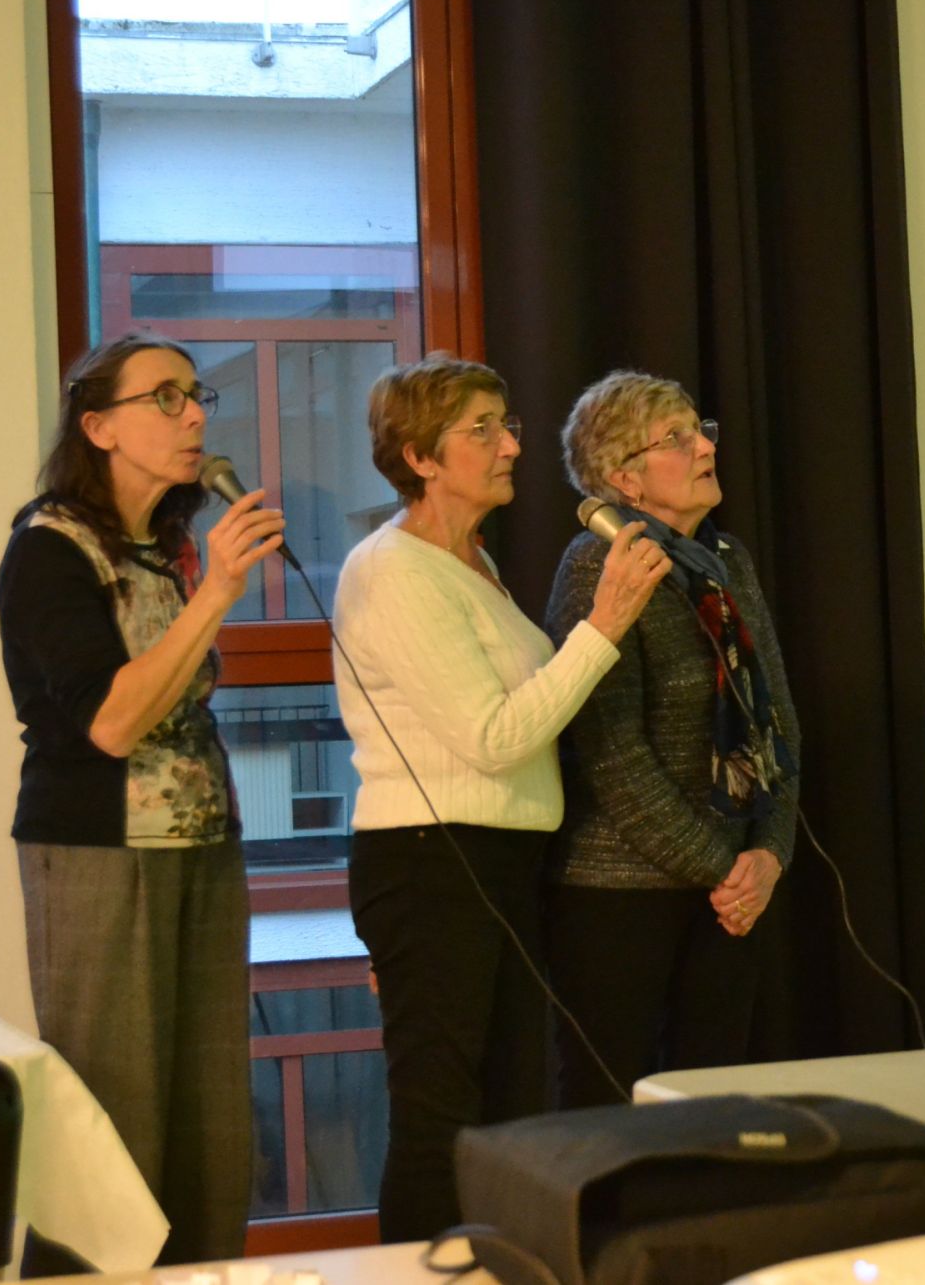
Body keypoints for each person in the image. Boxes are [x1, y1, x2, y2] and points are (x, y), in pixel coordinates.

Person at [332, 354, 668, 1242]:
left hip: (499, 858)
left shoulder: (473, 562)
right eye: (480, 429)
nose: (511, 444)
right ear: (419, 457)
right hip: (431, 860)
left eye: (506, 424)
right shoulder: (392, 570)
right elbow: (493, 737)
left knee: (509, 1111)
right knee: (441, 1113)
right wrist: (604, 625)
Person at [0, 330, 284, 1264]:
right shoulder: (48, 548)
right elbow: (112, 722)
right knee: (114, 1126)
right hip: (99, 856)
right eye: (165, 396)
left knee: (210, 1124)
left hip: (202, 849)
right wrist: (220, 593)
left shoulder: (163, 549)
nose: (194, 413)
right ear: (99, 427)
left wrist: (205, 584)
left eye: (196, 395)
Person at [543, 370, 802, 1108]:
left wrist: (770, 854)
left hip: (733, 886)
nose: (705, 448)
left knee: (711, 1103)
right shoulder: (596, 565)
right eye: (677, 439)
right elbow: (611, 754)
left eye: (701, 431)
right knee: (607, 1106)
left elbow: (777, 720)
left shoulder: (727, 561)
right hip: (620, 890)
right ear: (624, 478)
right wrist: (727, 870)